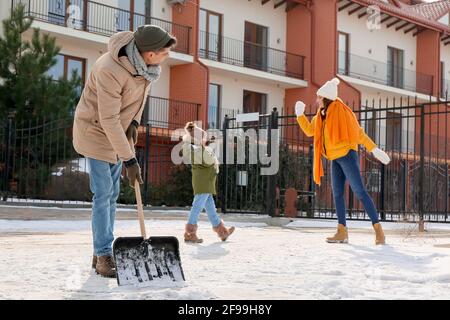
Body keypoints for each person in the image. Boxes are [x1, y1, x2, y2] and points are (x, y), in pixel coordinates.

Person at [73, 25, 176, 277]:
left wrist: (134, 122)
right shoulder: (109, 69)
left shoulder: (147, 69)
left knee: (113, 193)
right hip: (95, 133)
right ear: (149, 53)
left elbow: (140, 99)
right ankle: (104, 254)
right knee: (103, 193)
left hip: (117, 133)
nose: (167, 56)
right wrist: (130, 160)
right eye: (164, 52)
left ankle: (100, 250)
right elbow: (107, 119)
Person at [295, 78, 390, 245]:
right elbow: (310, 131)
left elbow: (358, 133)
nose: (316, 101)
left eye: (319, 97)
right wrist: (300, 116)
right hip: (334, 158)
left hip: (347, 155)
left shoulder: (343, 112)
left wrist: (374, 149)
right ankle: (342, 231)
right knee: (337, 194)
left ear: (325, 97)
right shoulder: (321, 116)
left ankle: (379, 231)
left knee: (359, 192)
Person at [181, 122, 235, 243]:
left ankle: (222, 232)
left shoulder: (197, 148)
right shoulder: (196, 150)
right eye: (203, 137)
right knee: (197, 206)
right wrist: (207, 147)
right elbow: (209, 160)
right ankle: (189, 233)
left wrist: (205, 146)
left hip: (206, 181)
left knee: (210, 208)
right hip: (203, 182)